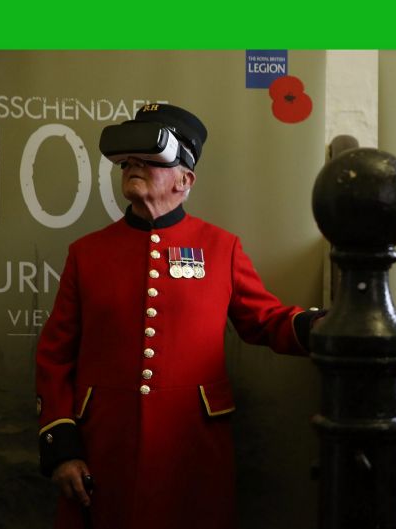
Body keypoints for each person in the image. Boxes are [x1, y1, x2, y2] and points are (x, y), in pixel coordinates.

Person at [35, 103, 322, 529]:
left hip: (193, 448)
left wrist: (325, 328)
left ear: (185, 180)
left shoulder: (220, 247)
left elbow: (264, 320)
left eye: (149, 161)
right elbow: (55, 356)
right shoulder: (87, 254)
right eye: (128, 162)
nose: (134, 167)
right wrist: (62, 445)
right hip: (105, 448)